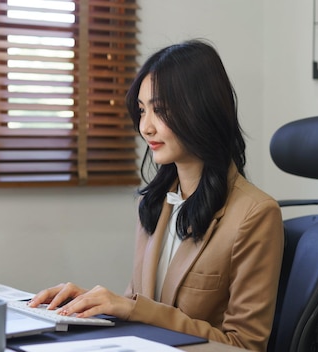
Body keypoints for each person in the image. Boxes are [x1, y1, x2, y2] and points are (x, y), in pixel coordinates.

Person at [28, 39, 284, 352]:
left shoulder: (255, 214)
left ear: (201, 109)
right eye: (141, 110)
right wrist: (90, 306)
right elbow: (136, 308)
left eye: (159, 110)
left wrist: (132, 308)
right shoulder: (153, 203)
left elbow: (244, 345)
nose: (145, 127)